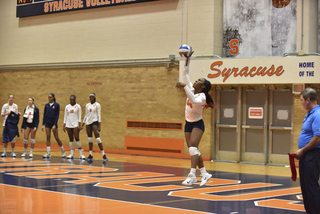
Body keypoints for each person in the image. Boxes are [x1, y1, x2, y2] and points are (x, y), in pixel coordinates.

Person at [174, 51, 214, 187]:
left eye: (199, 81)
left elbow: (192, 99)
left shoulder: (202, 97)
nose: (195, 81)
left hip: (198, 124)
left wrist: (185, 87)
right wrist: (187, 59)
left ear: (202, 86)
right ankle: (204, 174)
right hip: (188, 123)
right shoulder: (191, 88)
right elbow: (185, 73)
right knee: (193, 150)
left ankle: (192, 175)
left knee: (192, 148)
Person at [295, 88, 320, 213]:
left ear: (308, 100)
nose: (300, 103)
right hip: (306, 155)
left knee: (311, 187)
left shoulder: (318, 114)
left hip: (312, 156)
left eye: (301, 100)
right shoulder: (309, 114)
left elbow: (317, 138)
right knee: (305, 187)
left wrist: (303, 150)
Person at [82, 93, 108, 161]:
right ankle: (90, 154)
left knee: (98, 138)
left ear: (94, 98)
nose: (91, 98)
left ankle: (103, 154)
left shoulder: (97, 105)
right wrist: (82, 124)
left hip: (94, 122)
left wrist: (99, 126)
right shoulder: (87, 105)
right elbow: (86, 115)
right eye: (90, 97)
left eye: (92, 97)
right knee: (90, 139)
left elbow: (99, 115)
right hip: (88, 122)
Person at [42, 93, 66, 158]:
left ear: (53, 97)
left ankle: (63, 151)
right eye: (48, 97)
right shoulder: (46, 105)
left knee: (56, 137)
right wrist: (43, 124)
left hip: (53, 123)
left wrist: (55, 124)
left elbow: (57, 115)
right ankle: (48, 153)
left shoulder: (56, 105)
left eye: (50, 97)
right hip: (47, 123)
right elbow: (44, 115)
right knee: (48, 136)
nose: (49, 98)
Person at [63, 95, 85, 159]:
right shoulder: (67, 107)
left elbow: (79, 116)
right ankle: (72, 153)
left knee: (77, 138)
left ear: (75, 100)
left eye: (73, 100)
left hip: (75, 124)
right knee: (70, 138)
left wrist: (79, 124)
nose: (71, 101)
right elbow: (65, 116)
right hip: (68, 124)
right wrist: (64, 125)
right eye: (70, 100)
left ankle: (81, 154)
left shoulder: (78, 106)